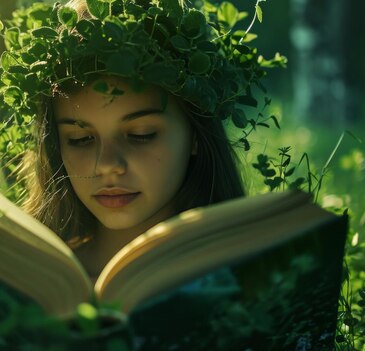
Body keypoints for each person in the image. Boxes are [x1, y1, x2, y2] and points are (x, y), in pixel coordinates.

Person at [17, 0, 246, 280]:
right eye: (80, 139)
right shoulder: (31, 274)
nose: (107, 165)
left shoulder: (252, 269)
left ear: (196, 135)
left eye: (141, 136)